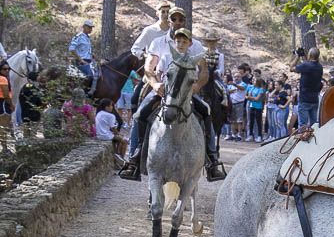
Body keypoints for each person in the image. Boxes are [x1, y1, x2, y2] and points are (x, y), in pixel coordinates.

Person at [118, 28, 225, 181]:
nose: (181, 44)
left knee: (206, 111)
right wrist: (158, 85)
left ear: (189, 43)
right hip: (164, 94)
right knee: (140, 113)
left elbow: (200, 74)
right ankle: (134, 156)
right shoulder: (167, 56)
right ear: (174, 42)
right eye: (178, 41)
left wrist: (195, 87)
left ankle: (212, 159)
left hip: (185, 95)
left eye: (184, 41)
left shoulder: (193, 58)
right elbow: (158, 73)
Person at [293, 47, 324, 128]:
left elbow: (291, 68)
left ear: (309, 55)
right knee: (314, 125)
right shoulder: (320, 67)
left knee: (303, 125)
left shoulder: (306, 65)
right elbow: (309, 65)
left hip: (304, 100)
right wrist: (304, 56)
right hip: (314, 100)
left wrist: (297, 56)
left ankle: (302, 140)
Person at [68, 20, 95, 88]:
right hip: (81, 62)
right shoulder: (79, 36)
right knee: (90, 75)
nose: (91, 29)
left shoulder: (87, 38)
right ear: (84, 27)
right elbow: (71, 49)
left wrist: (92, 55)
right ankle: (85, 91)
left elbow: (85, 50)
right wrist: (80, 60)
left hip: (89, 61)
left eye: (91, 28)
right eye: (89, 27)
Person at [246, 77, 266, 142]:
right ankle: (251, 135)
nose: (253, 81)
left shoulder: (261, 89)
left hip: (258, 107)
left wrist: (250, 98)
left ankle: (259, 136)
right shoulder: (252, 88)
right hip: (252, 106)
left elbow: (258, 99)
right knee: (251, 121)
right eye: (252, 80)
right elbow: (247, 96)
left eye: (254, 80)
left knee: (258, 122)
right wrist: (251, 97)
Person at [0, 58, 11, 151]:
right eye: (4, 69)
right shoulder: (3, 79)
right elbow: (6, 94)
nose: (7, 71)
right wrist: (11, 104)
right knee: (3, 127)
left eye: (8, 69)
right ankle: (4, 148)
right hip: (2, 103)